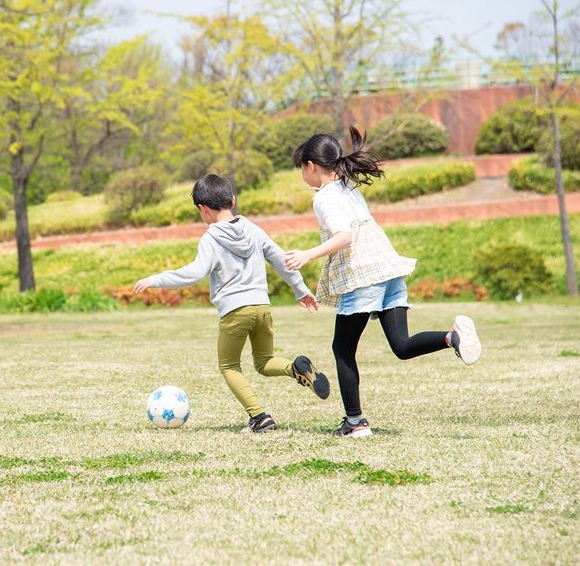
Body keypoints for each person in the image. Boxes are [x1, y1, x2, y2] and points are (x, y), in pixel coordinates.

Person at [284, 127, 482, 438]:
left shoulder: (325, 198)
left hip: (363, 275)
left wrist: (308, 254)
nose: (301, 175)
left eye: (301, 168)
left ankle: (355, 422)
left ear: (310, 165)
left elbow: (345, 236)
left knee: (342, 349)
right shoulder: (348, 187)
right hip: (388, 269)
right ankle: (452, 338)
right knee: (401, 346)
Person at [134, 173, 329, 433]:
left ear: (202, 209)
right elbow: (282, 259)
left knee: (228, 366)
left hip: (235, 311)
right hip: (262, 307)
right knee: (264, 361)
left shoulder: (211, 238)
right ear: (233, 200)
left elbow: (194, 273)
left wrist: (156, 279)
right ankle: (295, 369)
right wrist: (301, 290)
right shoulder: (253, 229)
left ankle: (259, 417)